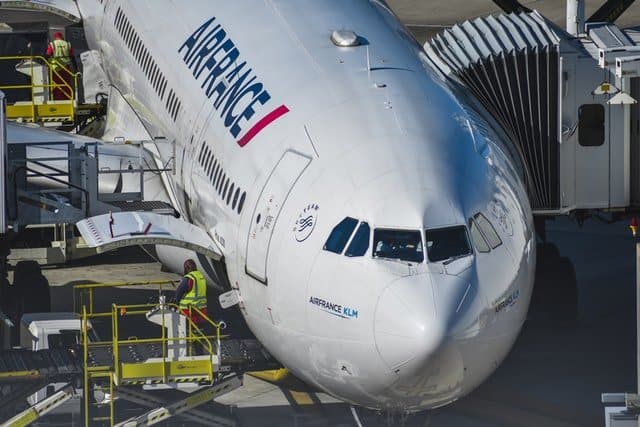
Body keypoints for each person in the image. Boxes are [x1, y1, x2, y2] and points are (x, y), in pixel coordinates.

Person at [175, 259, 208, 324]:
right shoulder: (201, 276)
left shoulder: (189, 278)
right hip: (201, 308)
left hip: (189, 310)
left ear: (186, 268)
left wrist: (177, 302)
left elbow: (179, 291)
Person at [45, 31, 75, 100]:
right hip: (66, 67)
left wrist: (43, 62)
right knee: (66, 83)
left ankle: (57, 98)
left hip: (55, 68)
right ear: (62, 37)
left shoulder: (52, 44)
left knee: (56, 84)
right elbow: (72, 56)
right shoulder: (67, 44)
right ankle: (67, 97)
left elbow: (48, 54)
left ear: (55, 38)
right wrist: (76, 69)